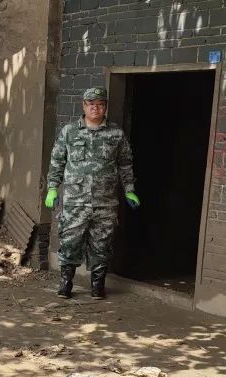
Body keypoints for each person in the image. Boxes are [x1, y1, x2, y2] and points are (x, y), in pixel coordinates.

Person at [44, 86, 139, 300]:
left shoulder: (116, 134)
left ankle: (97, 286)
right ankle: (66, 283)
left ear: (105, 107)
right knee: (70, 242)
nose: (95, 108)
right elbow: (57, 161)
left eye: (100, 104)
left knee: (102, 244)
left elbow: (125, 164)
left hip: (105, 203)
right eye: (91, 104)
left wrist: (130, 190)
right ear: (84, 106)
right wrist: (52, 188)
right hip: (75, 203)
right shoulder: (70, 131)